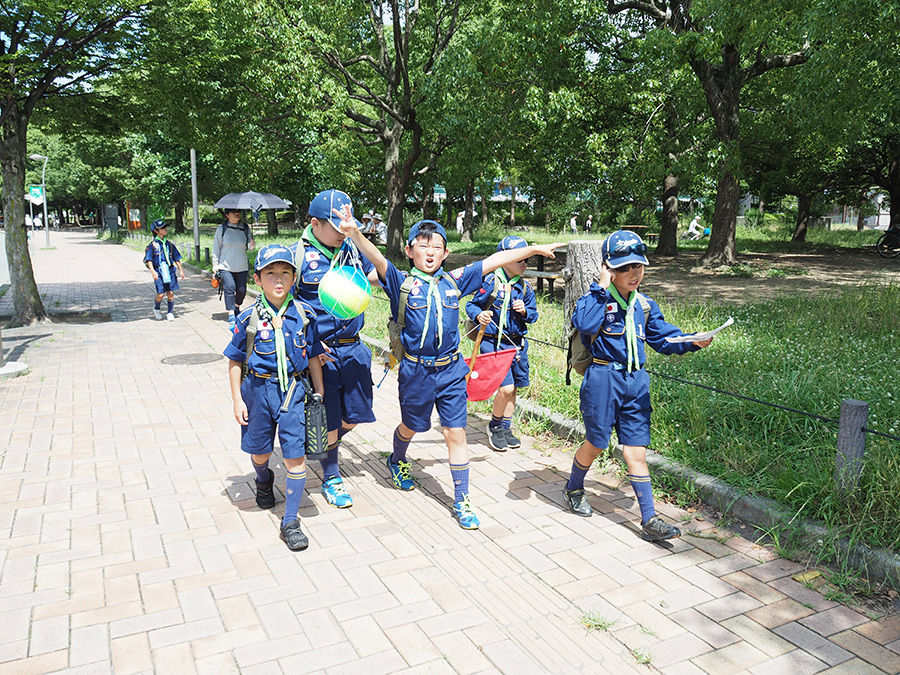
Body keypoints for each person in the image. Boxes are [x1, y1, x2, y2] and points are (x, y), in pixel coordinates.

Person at [341, 213, 562, 529]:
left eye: (437, 247)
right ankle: (397, 458)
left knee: (454, 432)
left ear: (445, 253)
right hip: (416, 372)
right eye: (423, 245)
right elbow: (376, 257)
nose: (430, 252)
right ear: (409, 250)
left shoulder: (455, 280)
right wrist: (355, 234)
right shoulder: (401, 282)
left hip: (451, 371)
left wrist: (534, 249)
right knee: (411, 426)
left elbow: (495, 259)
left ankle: (461, 499)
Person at [563, 230, 713, 541]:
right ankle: (573, 488)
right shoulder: (595, 300)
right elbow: (587, 324)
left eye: (638, 267)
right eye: (624, 268)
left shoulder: (644, 305)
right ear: (609, 269)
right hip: (603, 380)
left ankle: (649, 519)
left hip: (636, 382)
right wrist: (601, 288)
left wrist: (693, 342)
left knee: (636, 451)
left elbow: (664, 339)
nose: (633, 274)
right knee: (597, 443)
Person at [224, 244, 325, 551]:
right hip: (257, 391)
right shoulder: (247, 319)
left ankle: (290, 521)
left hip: (294, 391)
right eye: (270, 273)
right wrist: (237, 400)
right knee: (260, 452)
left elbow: (313, 357)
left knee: (296, 458)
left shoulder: (304, 315)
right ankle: (263, 478)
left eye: (285, 272)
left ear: (294, 277)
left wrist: (318, 392)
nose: (278, 279)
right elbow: (234, 360)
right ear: (257, 279)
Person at [291, 189, 380, 510]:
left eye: (347, 225)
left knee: (355, 415)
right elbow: (286, 306)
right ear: (315, 223)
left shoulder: (352, 249)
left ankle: (318, 442)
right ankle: (331, 474)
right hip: (320, 356)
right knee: (328, 419)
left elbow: (372, 275)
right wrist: (308, 346)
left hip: (354, 348)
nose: (343, 231)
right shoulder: (297, 256)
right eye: (335, 226)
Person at [464, 235, 538, 452]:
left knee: (514, 388)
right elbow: (472, 305)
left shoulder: (524, 288)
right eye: (519, 259)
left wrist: (525, 311)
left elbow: (533, 315)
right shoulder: (489, 282)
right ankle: (495, 425)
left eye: (526, 260)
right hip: (492, 344)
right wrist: (480, 316)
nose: (524, 263)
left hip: (517, 346)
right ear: (504, 259)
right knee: (505, 388)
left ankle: (506, 426)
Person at [213, 208, 256, 330]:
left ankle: (236, 305)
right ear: (227, 215)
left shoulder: (245, 228)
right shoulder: (222, 229)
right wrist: (215, 265)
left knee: (242, 290)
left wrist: (252, 245)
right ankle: (231, 314)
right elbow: (216, 248)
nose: (237, 214)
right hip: (225, 266)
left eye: (238, 212)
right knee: (230, 288)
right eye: (233, 212)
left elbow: (249, 247)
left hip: (241, 265)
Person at [144, 220, 185, 321]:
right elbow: (149, 260)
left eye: (165, 227)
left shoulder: (169, 244)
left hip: (170, 270)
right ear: (156, 231)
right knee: (161, 293)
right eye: (162, 228)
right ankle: (156, 308)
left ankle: (170, 312)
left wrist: (181, 270)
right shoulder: (152, 245)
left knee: (170, 293)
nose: (165, 229)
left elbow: (176, 258)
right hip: (159, 271)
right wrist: (153, 272)